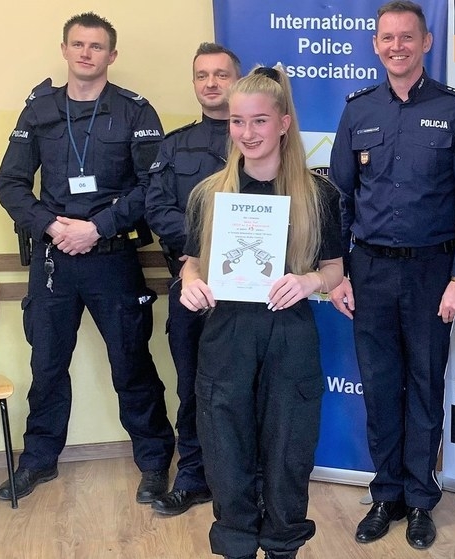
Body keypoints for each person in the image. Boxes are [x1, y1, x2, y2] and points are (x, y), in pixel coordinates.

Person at [0, 12, 175, 503]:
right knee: (47, 366)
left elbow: (153, 187)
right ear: (64, 49)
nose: (86, 53)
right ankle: (38, 461)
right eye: (78, 44)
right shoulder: (39, 111)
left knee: (131, 365)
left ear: (112, 55)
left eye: (96, 46)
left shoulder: (136, 112)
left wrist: (98, 227)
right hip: (54, 259)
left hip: (112, 257)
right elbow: (10, 183)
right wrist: (52, 226)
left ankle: (154, 462)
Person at [328, 0, 455, 550]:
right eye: (387, 38)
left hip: (431, 273)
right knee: (378, 387)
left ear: (426, 43)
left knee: (424, 386)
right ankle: (386, 494)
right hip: (369, 271)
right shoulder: (358, 110)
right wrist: (338, 272)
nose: (397, 46)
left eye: (407, 37)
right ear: (376, 46)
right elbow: (340, 198)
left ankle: (420, 500)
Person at [179, 66, 344, 559]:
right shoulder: (210, 194)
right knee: (225, 450)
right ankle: (235, 545)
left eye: (259, 121)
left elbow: (334, 269)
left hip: (289, 332)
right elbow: (192, 263)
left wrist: (308, 282)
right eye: (237, 121)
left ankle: (282, 545)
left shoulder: (317, 195)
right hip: (226, 331)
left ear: (283, 123)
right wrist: (190, 284)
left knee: (289, 449)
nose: (247, 133)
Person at [144, 43, 241, 516]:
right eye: (202, 75)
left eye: (221, 74)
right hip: (191, 286)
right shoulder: (174, 145)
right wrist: (206, 248)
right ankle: (193, 478)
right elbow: (157, 208)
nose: (211, 83)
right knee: (193, 387)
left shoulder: (259, 138)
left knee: (245, 388)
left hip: (248, 290)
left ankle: (245, 482)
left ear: (237, 81)